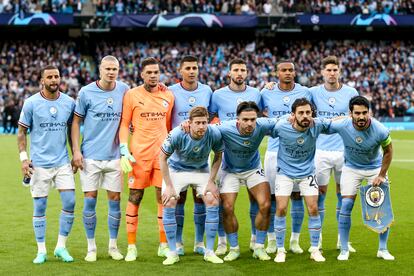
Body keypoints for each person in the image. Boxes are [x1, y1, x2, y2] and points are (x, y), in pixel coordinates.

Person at [71, 55, 129, 262]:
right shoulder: (86, 92)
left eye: (115, 69)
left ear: (118, 70)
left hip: (114, 157)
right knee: (90, 201)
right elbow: (76, 122)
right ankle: (91, 247)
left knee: (115, 200)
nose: (111, 72)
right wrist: (76, 151)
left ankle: (113, 246)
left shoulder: (124, 89)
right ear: (100, 70)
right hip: (91, 157)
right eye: (107, 69)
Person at [17, 65, 76, 264]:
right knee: (40, 206)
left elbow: (72, 131)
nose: (53, 80)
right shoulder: (31, 103)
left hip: (62, 162)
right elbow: (21, 133)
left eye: (56, 76)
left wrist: (76, 153)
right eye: (49, 77)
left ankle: (61, 246)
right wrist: (24, 158)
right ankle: (41, 250)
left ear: (61, 78)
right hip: (39, 164)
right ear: (42, 80)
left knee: (70, 202)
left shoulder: (69, 102)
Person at [119, 57, 174, 262]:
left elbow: (167, 126)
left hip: (161, 157)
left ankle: (163, 245)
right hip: (138, 157)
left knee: (163, 198)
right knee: (135, 197)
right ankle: (132, 247)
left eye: (156, 72)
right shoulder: (131, 95)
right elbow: (124, 124)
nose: (153, 75)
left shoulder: (168, 95)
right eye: (149, 72)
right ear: (141, 74)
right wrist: (124, 149)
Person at [326, 96, 394, 261]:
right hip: (351, 168)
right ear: (351, 113)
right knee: (346, 205)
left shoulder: (380, 130)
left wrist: (381, 175)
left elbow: (388, 151)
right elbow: (323, 125)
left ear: (369, 112)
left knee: (380, 207)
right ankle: (344, 249)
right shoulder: (343, 124)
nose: (362, 117)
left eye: (365, 112)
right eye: (357, 113)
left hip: (375, 169)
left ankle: (383, 249)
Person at [210, 58, 262, 255]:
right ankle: (223, 243)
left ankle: (255, 239)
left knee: (255, 200)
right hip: (226, 158)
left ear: (247, 73)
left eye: (243, 70)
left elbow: (262, 116)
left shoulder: (256, 93)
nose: (239, 73)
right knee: (226, 204)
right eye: (236, 70)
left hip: (250, 157)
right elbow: (211, 117)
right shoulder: (218, 94)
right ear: (229, 73)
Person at [160, 106, 223, 265]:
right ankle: (173, 252)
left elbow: (218, 155)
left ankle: (209, 251)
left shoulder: (213, 133)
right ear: (190, 122)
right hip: (176, 170)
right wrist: (168, 186)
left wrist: (211, 181)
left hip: (201, 170)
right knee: (169, 201)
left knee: (212, 199)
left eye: (204, 122)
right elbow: (162, 158)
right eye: (198, 123)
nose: (201, 126)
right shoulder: (177, 133)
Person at [216, 101, 277, 262]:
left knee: (265, 204)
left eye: (253, 119)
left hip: (253, 169)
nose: (249, 123)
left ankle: (259, 247)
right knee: (227, 207)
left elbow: (283, 120)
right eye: (245, 120)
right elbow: (205, 129)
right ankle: (234, 248)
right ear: (238, 119)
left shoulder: (262, 125)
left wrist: (292, 118)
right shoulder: (225, 128)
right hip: (230, 171)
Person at [261, 61, 311, 254]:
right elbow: (253, 111)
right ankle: (272, 240)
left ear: (295, 72)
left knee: (297, 196)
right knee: (273, 198)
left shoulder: (305, 92)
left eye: (291, 70)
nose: (288, 73)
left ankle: (295, 240)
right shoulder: (266, 92)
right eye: (284, 70)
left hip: (297, 152)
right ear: (277, 72)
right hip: (274, 152)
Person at [310, 55, 358, 252]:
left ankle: (342, 239)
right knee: (320, 195)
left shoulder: (351, 92)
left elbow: (358, 113)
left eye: (334, 70)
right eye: (328, 70)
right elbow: (293, 97)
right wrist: (270, 84)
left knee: (343, 195)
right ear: (322, 72)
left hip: (343, 151)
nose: (331, 73)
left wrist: (344, 117)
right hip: (320, 151)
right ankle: (318, 239)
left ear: (339, 71)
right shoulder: (312, 92)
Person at [273, 98, 328, 263]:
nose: (305, 116)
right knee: (281, 208)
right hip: (285, 173)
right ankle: (280, 250)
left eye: (308, 113)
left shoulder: (316, 125)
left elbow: (336, 122)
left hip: (307, 173)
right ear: (293, 115)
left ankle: (315, 249)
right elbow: (263, 125)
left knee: (313, 208)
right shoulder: (281, 127)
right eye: (301, 113)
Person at [168, 55, 213, 256]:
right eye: (188, 68)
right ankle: (177, 242)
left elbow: (213, 115)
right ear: (180, 71)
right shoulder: (171, 91)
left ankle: (198, 242)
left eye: (195, 67)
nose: (192, 71)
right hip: (178, 154)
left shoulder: (207, 90)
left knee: (200, 199)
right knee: (179, 199)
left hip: (201, 155)